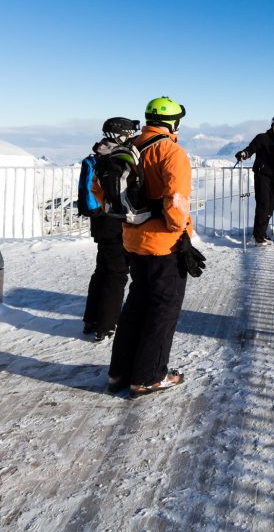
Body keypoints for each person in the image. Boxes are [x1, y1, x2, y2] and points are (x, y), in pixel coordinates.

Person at [105, 96, 193, 398]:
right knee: (162, 311)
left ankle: (119, 373)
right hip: (163, 244)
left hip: (132, 239)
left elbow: (101, 191)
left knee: (135, 307)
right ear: (173, 122)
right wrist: (180, 233)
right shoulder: (170, 151)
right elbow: (176, 200)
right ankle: (149, 377)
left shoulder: (127, 149)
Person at [82, 117, 139, 341]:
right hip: (114, 221)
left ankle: (91, 319)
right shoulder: (117, 157)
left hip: (99, 222)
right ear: (120, 135)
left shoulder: (97, 155)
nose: (133, 135)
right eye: (129, 132)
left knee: (102, 270)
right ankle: (107, 325)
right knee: (116, 274)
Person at [235, 115, 274, 245]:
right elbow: (251, 149)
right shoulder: (262, 138)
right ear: (272, 125)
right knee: (263, 204)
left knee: (271, 206)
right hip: (262, 175)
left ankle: (262, 233)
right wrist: (244, 154)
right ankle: (257, 236)